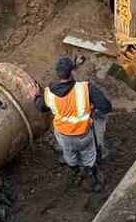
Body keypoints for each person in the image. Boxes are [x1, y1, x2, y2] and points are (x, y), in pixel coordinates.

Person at [33, 56, 112, 191]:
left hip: (63, 137)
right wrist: (92, 109)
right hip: (83, 135)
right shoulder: (86, 89)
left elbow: (40, 107)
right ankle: (95, 180)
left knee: (69, 155)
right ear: (73, 72)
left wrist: (35, 96)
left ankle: (74, 173)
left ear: (58, 74)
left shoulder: (48, 93)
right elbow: (106, 106)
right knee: (89, 157)